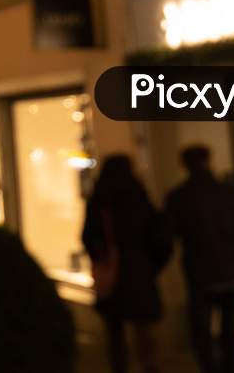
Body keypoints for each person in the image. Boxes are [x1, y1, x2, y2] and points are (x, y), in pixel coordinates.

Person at [164, 145, 234, 373]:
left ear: (184, 165)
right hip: (233, 271)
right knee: (230, 331)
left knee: (202, 332)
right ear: (209, 160)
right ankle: (232, 368)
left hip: (201, 273)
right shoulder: (230, 194)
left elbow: (165, 234)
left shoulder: (180, 196)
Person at [82, 155, 171, 373]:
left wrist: (100, 258)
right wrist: (153, 265)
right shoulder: (141, 199)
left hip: (112, 274)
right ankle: (150, 367)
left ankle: (119, 368)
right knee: (144, 331)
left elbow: (87, 236)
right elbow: (160, 239)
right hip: (140, 273)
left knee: (115, 333)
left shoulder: (99, 200)